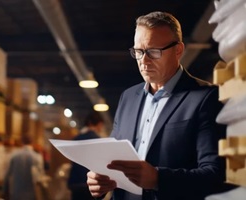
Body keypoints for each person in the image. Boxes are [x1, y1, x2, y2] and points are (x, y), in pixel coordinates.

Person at [87, 11, 228, 200]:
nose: (143, 61)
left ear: (178, 50)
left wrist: (158, 179)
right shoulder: (128, 97)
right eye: (138, 52)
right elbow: (112, 160)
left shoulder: (205, 98)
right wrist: (101, 180)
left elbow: (214, 176)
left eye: (153, 51)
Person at [68, 111, 104, 200]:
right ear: (98, 124)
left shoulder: (76, 138)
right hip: (91, 182)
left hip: (75, 182)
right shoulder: (98, 140)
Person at [3, 136, 45, 200]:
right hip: (31, 193)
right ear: (32, 142)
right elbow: (40, 176)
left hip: (16, 192)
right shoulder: (37, 157)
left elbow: (7, 175)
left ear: (22, 142)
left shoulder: (14, 155)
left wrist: (5, 191)